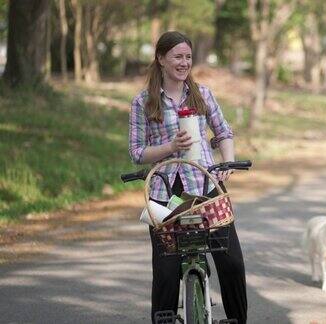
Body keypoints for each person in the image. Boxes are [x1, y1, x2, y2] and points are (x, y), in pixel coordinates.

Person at [128, 31, 247, 324]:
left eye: (188, 57)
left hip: (206, 185)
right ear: (161, 59)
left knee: (231, 262)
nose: (184, 63)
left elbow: (223, 132)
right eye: (177, 57)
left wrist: (227, 162)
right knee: (166, 273)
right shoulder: (143, 101)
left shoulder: (202, 94)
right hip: (164, 192)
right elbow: (136, 151)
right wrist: (171, 147)